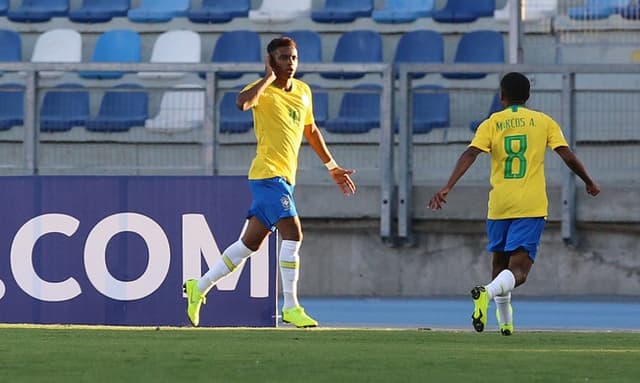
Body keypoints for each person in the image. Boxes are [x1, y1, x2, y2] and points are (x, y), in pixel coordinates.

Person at [183, 37, 356, 328]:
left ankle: (197, 288)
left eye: (293, 57)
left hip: (285, 179)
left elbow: (310, 129)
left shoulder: (303, 91)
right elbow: (242, 103)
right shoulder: (262, 91)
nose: (290, 63)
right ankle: (290, 306)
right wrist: (267, 79)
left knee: (248, 245)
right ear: (271, 61)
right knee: (294, 234)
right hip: (267, 175)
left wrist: (332, 166)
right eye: (283, 57)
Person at [428, 72, 600, 335]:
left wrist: (447, 186)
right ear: (528, 96)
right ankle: (485, 292)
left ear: (501, 96)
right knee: (518, 271)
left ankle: (505, 322)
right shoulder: (543, 121)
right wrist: (588, 180)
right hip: (529, 205)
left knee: (499, 264)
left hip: (499, 205)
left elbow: (470, 153)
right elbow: (566, 154)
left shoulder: (492, 122)